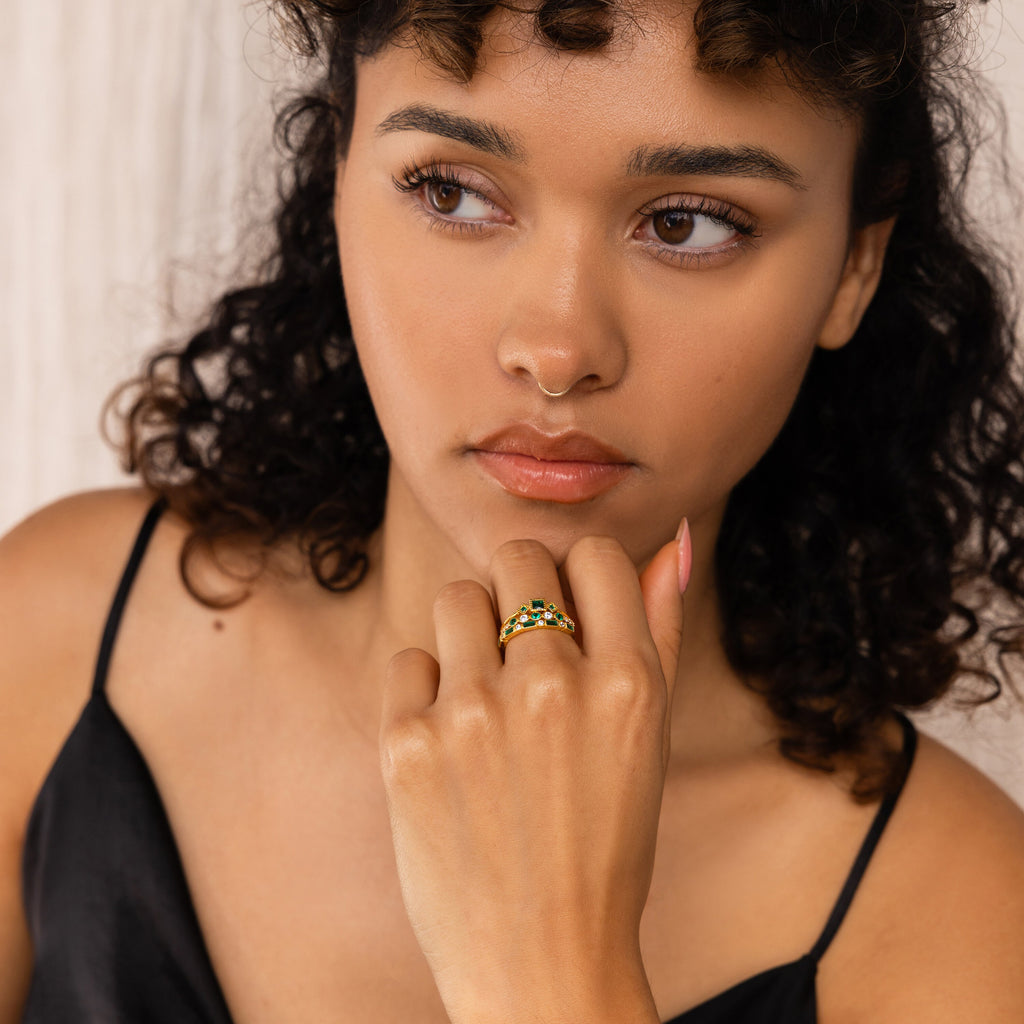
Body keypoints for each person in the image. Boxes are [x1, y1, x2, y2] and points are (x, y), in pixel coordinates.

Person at [2, 0, 1024, 1020]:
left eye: (687, 223)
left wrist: (551, 975)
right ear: (338, 185)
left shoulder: (958, 917)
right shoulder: (55, 632)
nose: (558, 347)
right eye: (451, 191)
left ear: (853, 266)